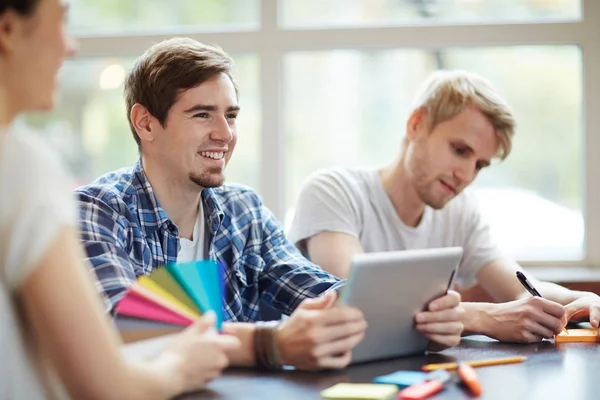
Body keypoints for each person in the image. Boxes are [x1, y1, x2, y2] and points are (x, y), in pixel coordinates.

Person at [75, 37, 464, 371]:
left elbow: (320, 293)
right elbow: (123, 330)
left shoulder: (244, 209)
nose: (225, 134)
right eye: (202, 114)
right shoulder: (98, 211)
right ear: (145, 123)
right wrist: (270, 343)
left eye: (230, 115)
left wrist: (434, 314)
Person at [0, 1, 243, 399]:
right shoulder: (20, 166)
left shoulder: (241, 207)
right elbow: (106, 386)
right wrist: (182, 363)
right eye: (60, 20)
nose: (70, 45)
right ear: (8, 30)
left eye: (230, 115)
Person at [288, 70, 600, 343]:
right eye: (459, 150)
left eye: (479, 165)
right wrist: (480, 318)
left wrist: (583, 299)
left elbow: (520, 288)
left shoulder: (460, 211)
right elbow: (355, 302)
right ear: (415, 125)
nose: (466, 175)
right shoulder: (332, 191)